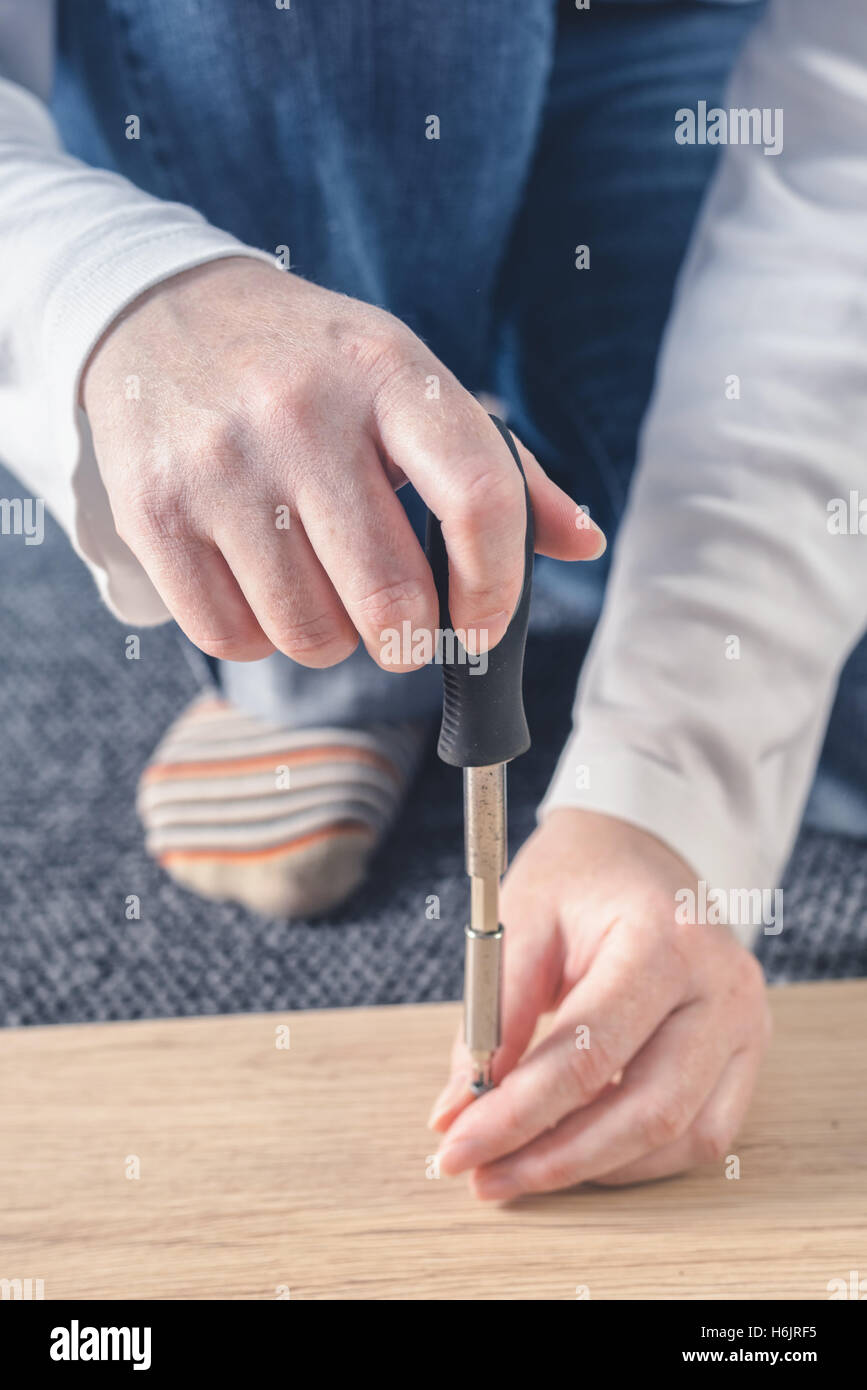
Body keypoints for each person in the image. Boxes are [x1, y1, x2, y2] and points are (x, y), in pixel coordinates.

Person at [1, 0, 865, 1198]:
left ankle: (399, 528)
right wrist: (117, 296)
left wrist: (666, 795)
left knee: (840, 679)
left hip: (698, 59)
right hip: (278, 76)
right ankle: (318, 631)